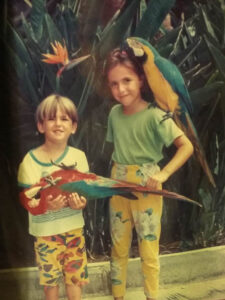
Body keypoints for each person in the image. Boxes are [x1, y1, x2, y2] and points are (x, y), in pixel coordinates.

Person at [104, 49, 194, 300]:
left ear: (141, 80)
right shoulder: (114, 115)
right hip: (118, 186)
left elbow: (186, 146)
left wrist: (163, 174)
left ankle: (152, 297)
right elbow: (118, 149)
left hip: (148, 187)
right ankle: (118, 297)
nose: (121, 89)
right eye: (114, 84)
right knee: (118, 248)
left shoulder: (155, 115)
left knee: (149, 249)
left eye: (127, 81)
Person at [17, 94, 89, 300]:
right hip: (46, 235)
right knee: (50, 283)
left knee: (75, 279)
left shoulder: (78, 157)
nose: (58, 123)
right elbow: (26, 200)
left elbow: (84, 195)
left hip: (74, 231)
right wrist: (45, 206)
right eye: (51, 118)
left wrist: (80, 204)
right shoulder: (30, 161)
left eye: (64, 119)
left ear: (73, 126)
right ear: (41, 126)